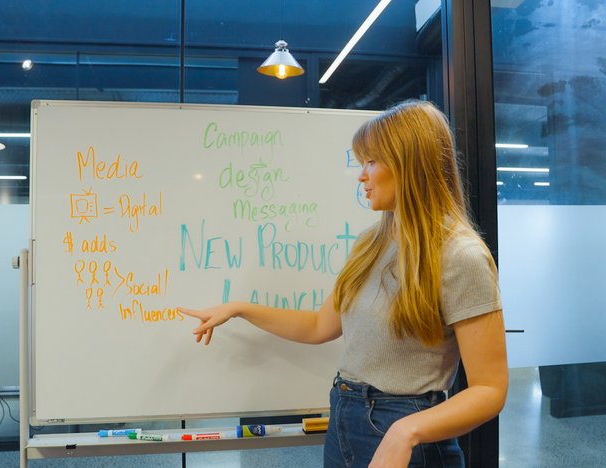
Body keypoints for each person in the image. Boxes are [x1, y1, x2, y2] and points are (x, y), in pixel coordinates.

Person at [179, 99, 508, 468]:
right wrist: (239, 308)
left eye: (371, 161)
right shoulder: (370, 244)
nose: (361, 176)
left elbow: (489, 390)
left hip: (408, 428)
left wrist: (406, 431)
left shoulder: (460, 256)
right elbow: (320, 326)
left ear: (410, 164)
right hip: (344, 414)